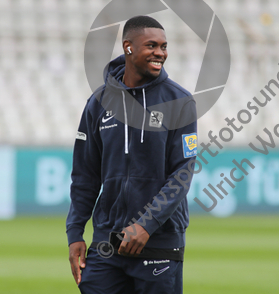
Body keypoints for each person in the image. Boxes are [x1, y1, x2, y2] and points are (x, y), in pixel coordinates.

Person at [67, 15, 197, 294]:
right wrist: (75, 231)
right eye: (152, 45)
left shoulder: (180, 101)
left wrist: (146, 225)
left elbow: (183, 172)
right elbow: (84, 175)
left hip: (158, 240)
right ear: (128, 47)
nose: (160, 53)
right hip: (107, 242)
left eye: (164, 47)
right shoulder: (98, 103)